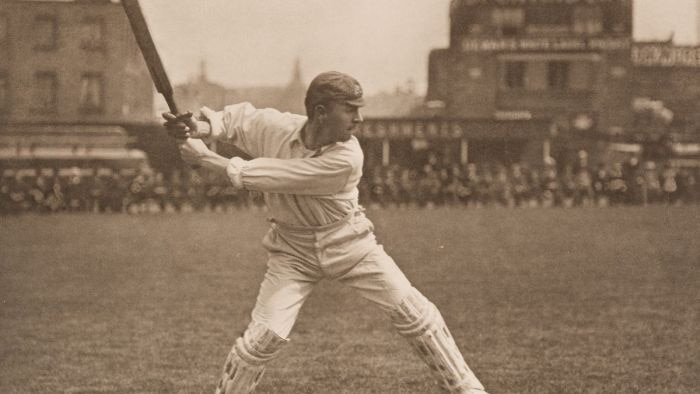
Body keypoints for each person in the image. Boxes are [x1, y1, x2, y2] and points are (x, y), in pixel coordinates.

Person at [163, 71, 487, 394]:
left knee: (415, 315)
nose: (359, 119)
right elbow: (237, 120)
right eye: (350, 109)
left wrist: (205, 156)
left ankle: (469, 390)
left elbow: (274, 175)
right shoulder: (278, 127)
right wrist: (202, 127)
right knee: (261, 342)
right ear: (320, 112)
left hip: (351, 244)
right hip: (292, 251)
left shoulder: (348, 157)